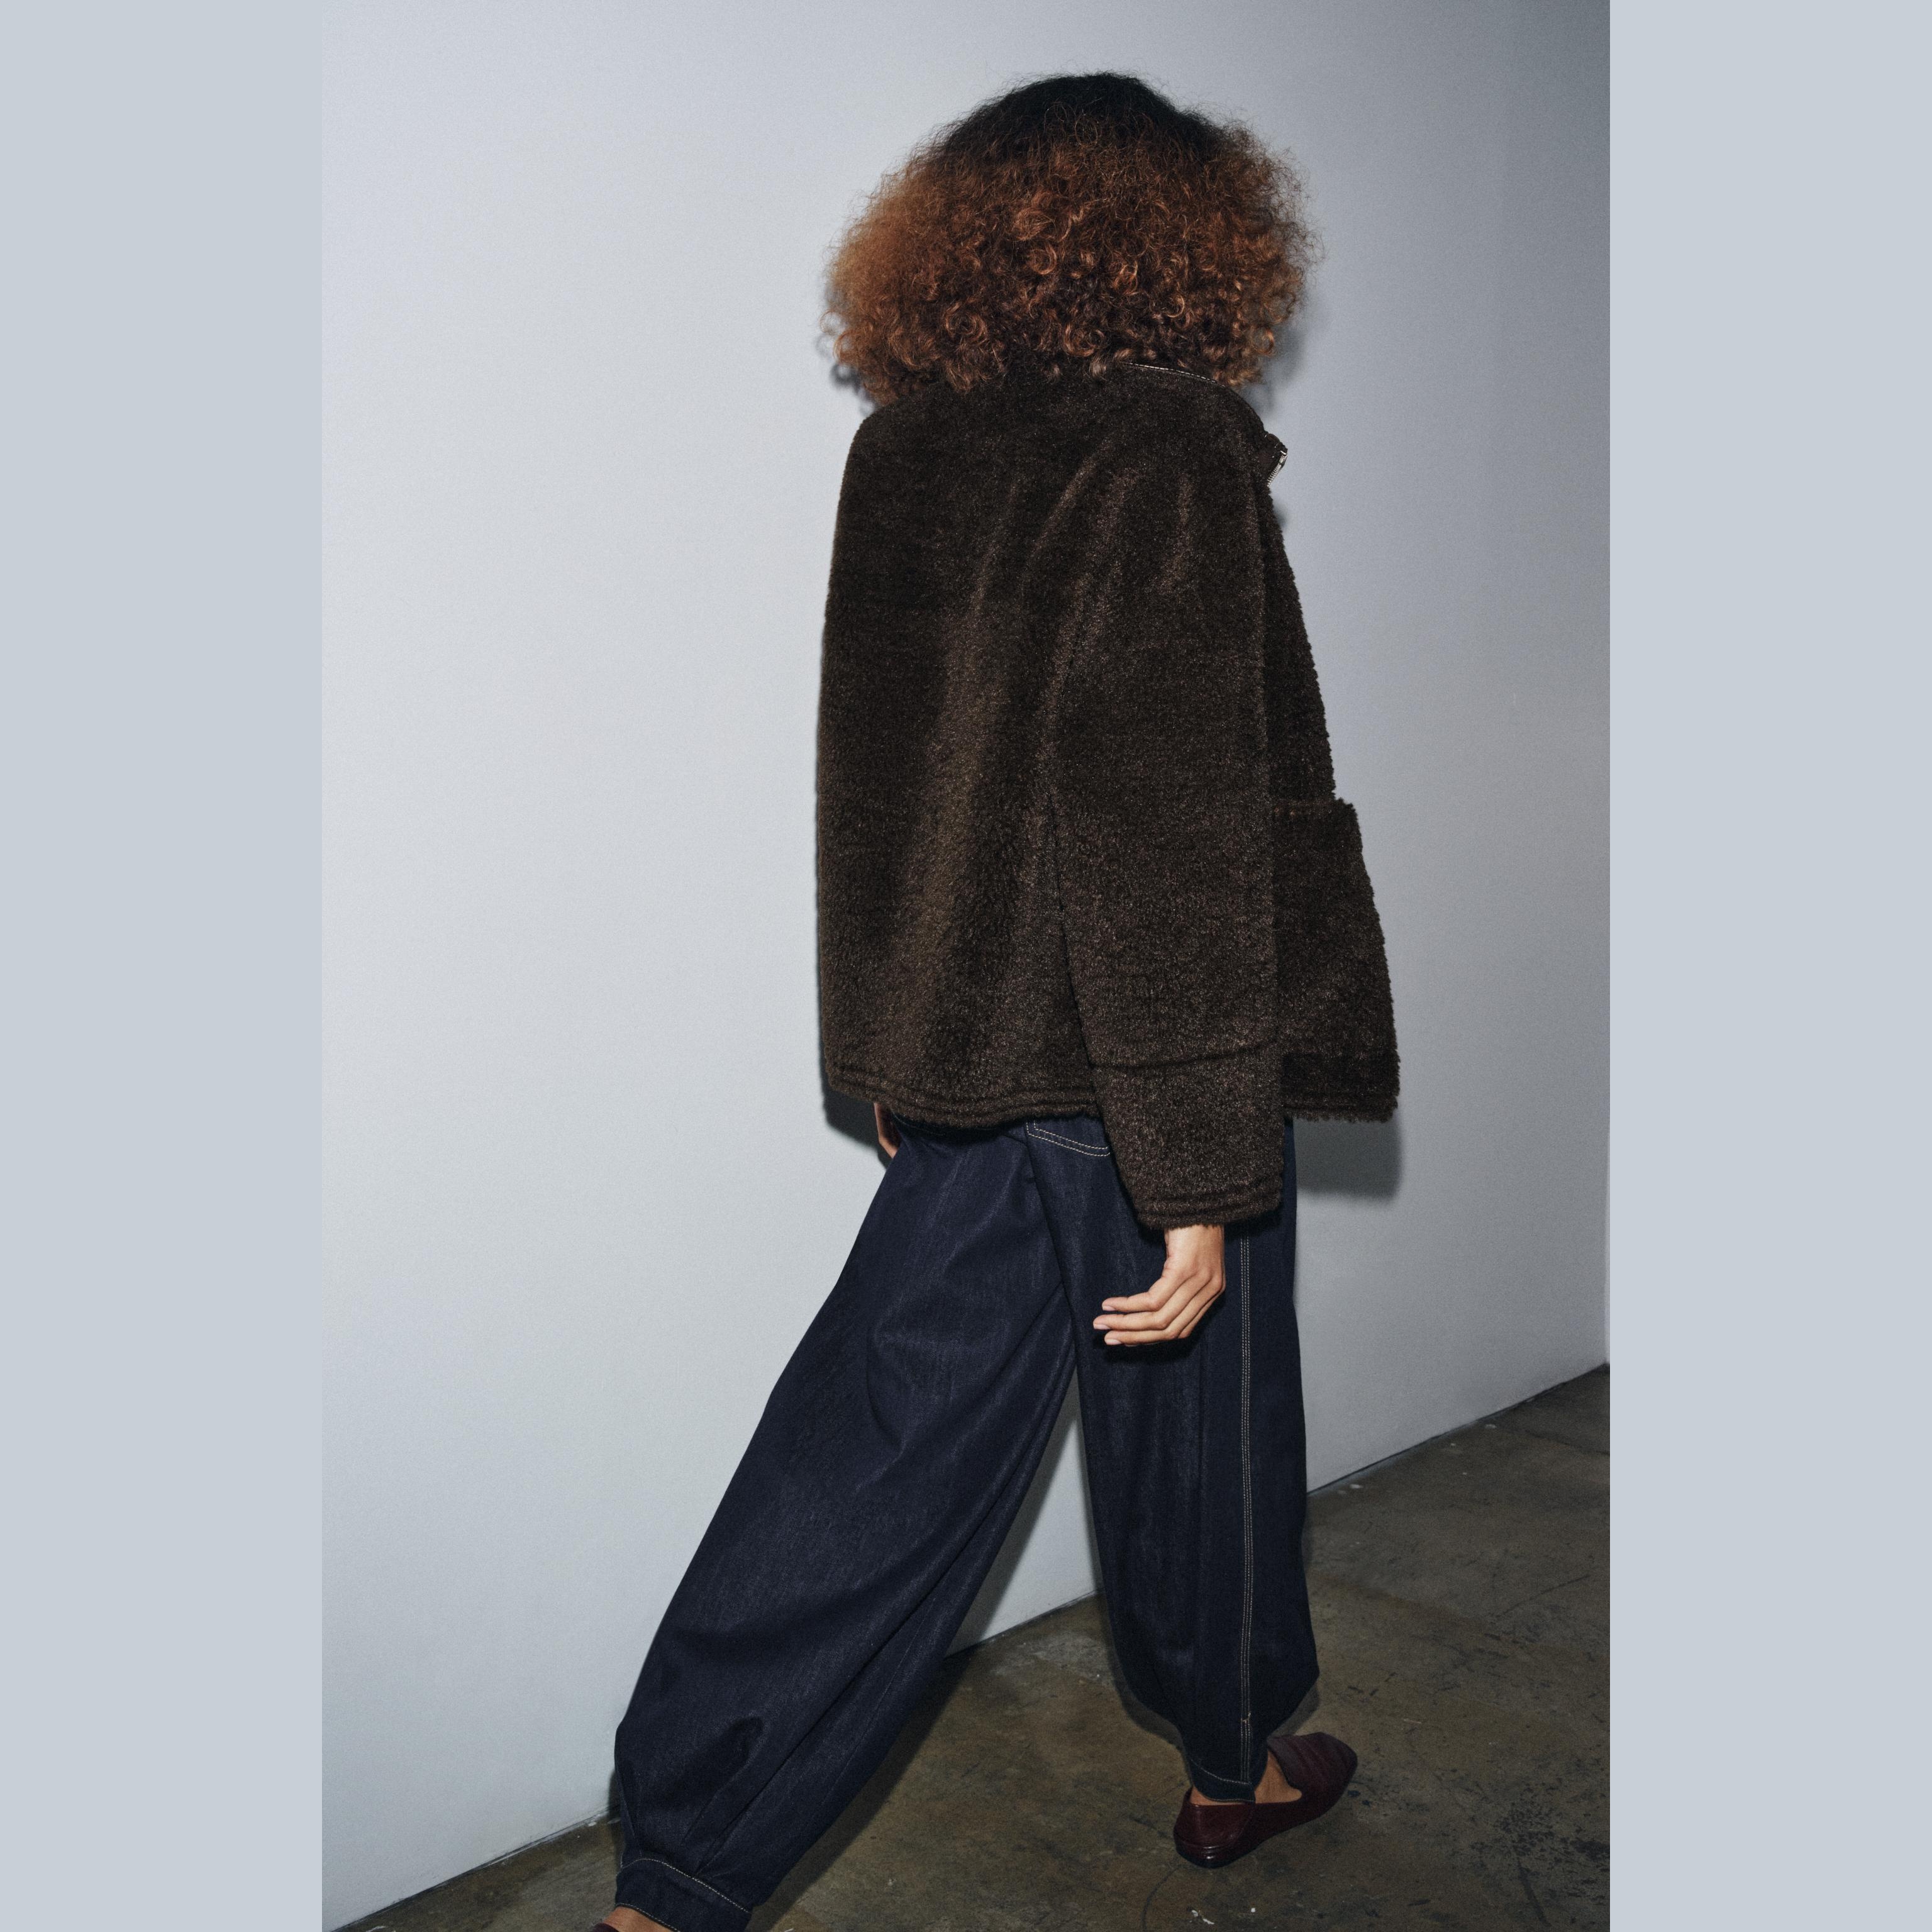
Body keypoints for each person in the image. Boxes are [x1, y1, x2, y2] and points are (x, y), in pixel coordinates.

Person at [592, 72, 1399, 1932]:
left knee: (877, 1446)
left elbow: (876, 780)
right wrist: (1197, 1153)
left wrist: (889, 1045)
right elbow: (1165, 816)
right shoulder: (1172, 446)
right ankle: (1231, 1764)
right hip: (1146, 1049)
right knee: (1205, 1426)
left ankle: (679, 1872)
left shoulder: (909, 450)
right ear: (1191, 236)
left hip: (977, 1046)